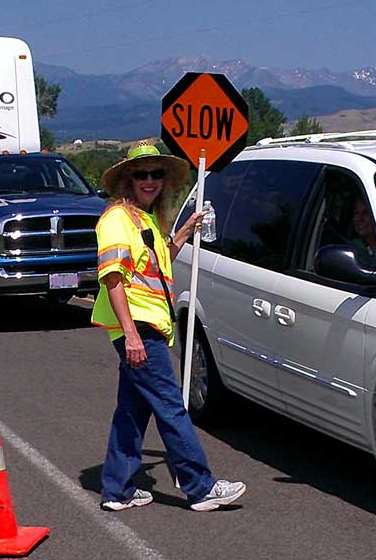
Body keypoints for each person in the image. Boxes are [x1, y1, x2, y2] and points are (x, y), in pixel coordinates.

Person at [91, 142, 246, 512]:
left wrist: (184, 232)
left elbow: (157, 267)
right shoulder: (117, 220)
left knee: (132, 410)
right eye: (141, 174)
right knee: (171, 407)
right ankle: (200, 486)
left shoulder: (145, 220)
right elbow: (113, 280)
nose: (149, 181)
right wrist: (130, 335)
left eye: (156, 174)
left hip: (149, 327)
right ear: (127, 179)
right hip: (138, 328)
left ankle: (118, 489)